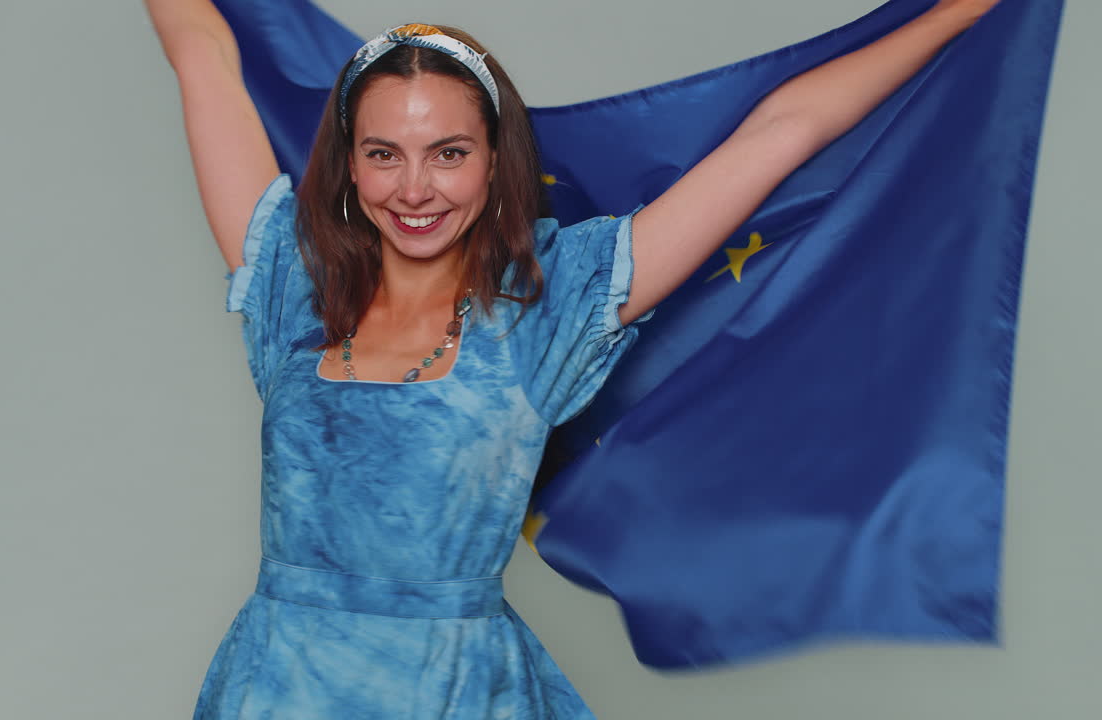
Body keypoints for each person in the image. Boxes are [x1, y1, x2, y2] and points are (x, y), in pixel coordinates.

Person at [143, 1, 1001, 716]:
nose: (414, 188)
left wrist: (964, 10)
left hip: (457, 693)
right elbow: (203, 54)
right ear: (350, 167)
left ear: (492, 163)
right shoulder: (292, 289)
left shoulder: (550, 309)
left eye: (448, 153)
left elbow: (781, 130)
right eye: (383, 155)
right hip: (275, 687)